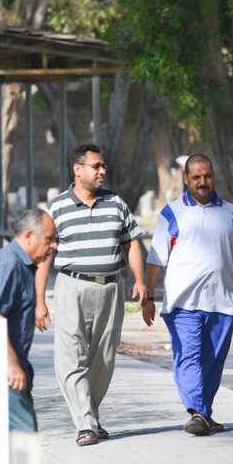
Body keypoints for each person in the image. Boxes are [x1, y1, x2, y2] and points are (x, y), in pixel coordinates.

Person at [35, 143, 147, 447]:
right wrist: (39, 300)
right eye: (96, 166)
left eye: (103, 166)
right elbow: (43, 257)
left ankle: (91, 418)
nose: (102, 171)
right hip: (72, 286)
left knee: (104, 358)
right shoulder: (56, 208)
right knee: (71, 356)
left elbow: (131, 243)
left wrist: (140, 280)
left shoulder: (116, 203)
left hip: (111, 288)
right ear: (78, 169)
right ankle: (85, 423)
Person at [141, 153, 233, 436]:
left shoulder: (231, 214)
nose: (202, 182)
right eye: (196, 177)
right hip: (182, 303)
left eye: (207, 176)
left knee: (212, 362)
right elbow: (156, 259)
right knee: (189, 357)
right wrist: (149, 297)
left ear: (213, 177)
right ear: (186, 179)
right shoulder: (171, 213)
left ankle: (204, 414)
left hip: (222, 301)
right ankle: (196, 411)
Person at [0, 209, 57, 461]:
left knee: (8, 437)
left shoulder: (23, 265)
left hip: (6, 364)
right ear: (29, 235)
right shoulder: (8, 264)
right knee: (21, 434)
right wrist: (12, 365)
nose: (54, 245)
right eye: (49, 239)